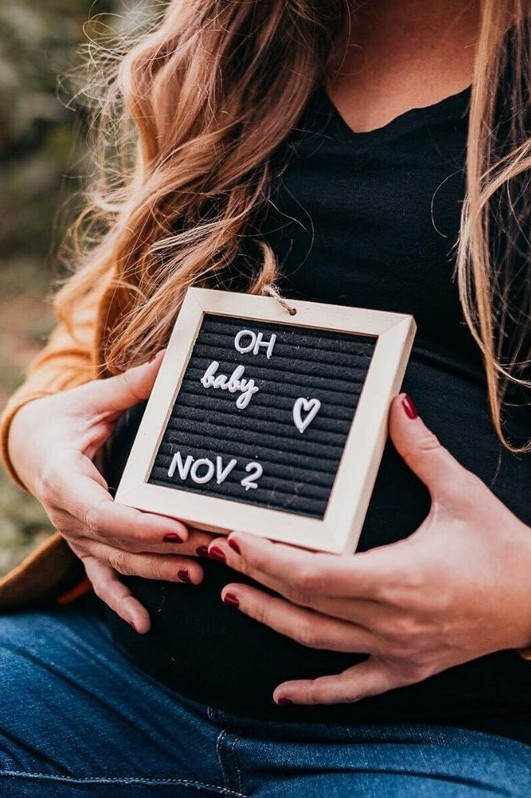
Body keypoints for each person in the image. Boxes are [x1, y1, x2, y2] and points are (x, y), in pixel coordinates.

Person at [1, 0, 531, 794]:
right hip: (112, 679)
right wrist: (39, 435)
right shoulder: (229, 34)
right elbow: (103, 310)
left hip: (458, 732)